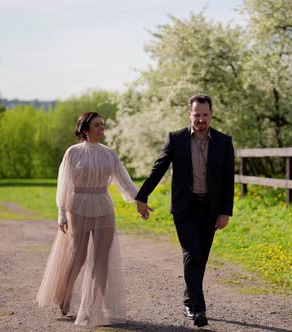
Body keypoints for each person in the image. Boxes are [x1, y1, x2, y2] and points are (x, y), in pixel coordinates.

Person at [135, 93, 235, 328]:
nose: (201, 119)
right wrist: (142, 196)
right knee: (192, 253)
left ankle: (189, 300)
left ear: (211, 115)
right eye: (197, 114)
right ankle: (199, 310)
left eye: (205, 115)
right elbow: (158, 169)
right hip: (185, 208)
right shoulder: (176, 139)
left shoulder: (224, 141)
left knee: (201, 258)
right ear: (189, 114)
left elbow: (228, 180)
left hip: (210, 209)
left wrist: (225, 211)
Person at [36, 112, 139, 327]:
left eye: (102, 124)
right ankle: (65, 293)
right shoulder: (72, 153)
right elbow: (64, 183)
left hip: (103, 206)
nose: (102, 128)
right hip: (79, 206)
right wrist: (61, 212)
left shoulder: (110, 154)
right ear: (85, 130)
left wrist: (140, 200)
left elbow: (124, 181)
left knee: (101, 259)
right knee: (78, 255)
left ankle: (92, 307)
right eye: (97, 125)